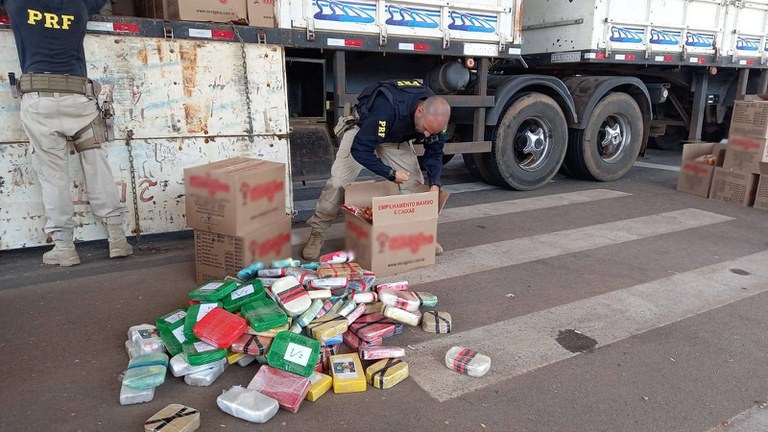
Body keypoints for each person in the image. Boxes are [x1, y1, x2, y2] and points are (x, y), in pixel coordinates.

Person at [3, 0, 132, 266]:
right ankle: (118, 239)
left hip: (39, 101)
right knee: (97, 164)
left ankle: (65, 247)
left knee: (52, 175)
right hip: (79, 98)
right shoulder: (81, 3)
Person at [302, 79, 451, 260]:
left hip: (395, 137)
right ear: (420, 111)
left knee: (414, 184)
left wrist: (435, 183)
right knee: (338, 183)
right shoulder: (387, 109)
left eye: (431, 132)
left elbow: (435, 152)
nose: (426, 135)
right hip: (364, 130)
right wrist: (390, 173)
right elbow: (361, 149)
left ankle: (417, 233)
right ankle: (317, 232)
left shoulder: (437, 120)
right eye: (426, 129)